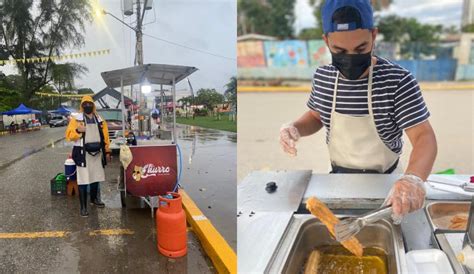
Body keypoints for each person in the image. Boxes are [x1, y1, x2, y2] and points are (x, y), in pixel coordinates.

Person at [279, 0, 437, 223]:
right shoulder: (324, 77)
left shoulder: (398, 80)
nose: (350, 58)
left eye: (361, 48)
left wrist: (412, 179)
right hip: (338, 182)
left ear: (373, 36)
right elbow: (316, 116)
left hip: (389, 186)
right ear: (326, 40)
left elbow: (424, 136)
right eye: (340, 50)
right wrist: (294, 128)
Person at [66, 96, 111, 217]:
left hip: (97, 153)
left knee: (96, 177)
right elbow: (69, 135)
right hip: (82, 153)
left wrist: (107, 151)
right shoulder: (76, 119)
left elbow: (106, 137)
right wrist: (78, 130)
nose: (87, 106)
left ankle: (94, 199)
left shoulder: (100, 119)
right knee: (83, 180)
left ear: (93, 105)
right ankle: (83, 207)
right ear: (82, 105)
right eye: (85, 104)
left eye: (89, 103)